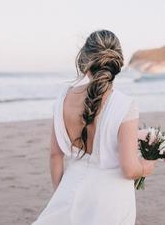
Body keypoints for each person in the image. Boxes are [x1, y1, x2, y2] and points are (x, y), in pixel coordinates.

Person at [31, 29, 157, 225]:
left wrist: (62, 195)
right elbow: (130, 169)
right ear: (118, 64)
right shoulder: (125, 105)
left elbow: (55, 155)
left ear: (84, 62)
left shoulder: (63, 98)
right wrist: (146, 167)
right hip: (110, 200)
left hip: (71, 189)